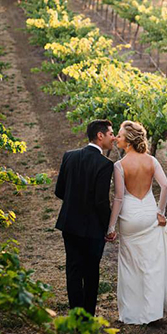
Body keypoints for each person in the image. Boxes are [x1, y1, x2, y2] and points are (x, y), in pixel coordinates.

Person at [106, 120, 167, 324]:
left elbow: (119, 198)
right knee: (152, 265)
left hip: (130, 218)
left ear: (129, 141)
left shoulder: (119, 165)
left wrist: (111, 226)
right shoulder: (151, 161)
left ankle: (133, 313)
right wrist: (160, 211)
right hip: (150, 215)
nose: (117, 139)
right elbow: (165, 186)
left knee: (131, 266)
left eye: (120, 136)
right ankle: (153, 312)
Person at [54, 119, 117, 316]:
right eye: (111, 134)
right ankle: (87, 319)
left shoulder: (69, 156)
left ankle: (75, 317)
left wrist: (75, 203)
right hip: (92, 228)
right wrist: (109, 227)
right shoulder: (105, 165)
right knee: (91, 273)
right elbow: (101, 202)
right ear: (100, 136)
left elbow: (59, 191)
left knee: (73, 270)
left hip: (69, 224)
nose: (113, 137)